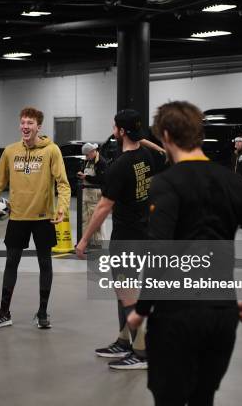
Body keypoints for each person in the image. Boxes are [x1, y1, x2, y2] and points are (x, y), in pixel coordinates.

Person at [126, 101, 242, 406]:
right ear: (198, 134)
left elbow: (159, 252)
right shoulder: (235, 184)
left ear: (165, 135)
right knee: (203, 398)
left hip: (176, 316)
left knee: (170, 399)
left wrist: (141, 309)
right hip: (221, 314)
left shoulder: (165, 184)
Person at [76, 109, 166, 370]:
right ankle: (124, 340)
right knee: (124, 290)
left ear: (121, 131)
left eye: (116, 126)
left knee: (127, 292)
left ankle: (141, 352)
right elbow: (157, 150)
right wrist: (140, 137)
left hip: (126, 236)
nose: (113, 129)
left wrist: (83, 240)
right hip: (143, 231)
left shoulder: (120, 166)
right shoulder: (146, 156)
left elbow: (103, 207)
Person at [0, 107, 70, 329]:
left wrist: (62, 208)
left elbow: (63, 183)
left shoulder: (52, 151)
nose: (25, 127)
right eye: (23, 123)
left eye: (30, 123)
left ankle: (42, 312)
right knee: (11, 262)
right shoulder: (10, 152)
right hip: (18, 217)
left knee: (45, 264)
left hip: (43, 218)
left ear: (39, 126)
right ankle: (4, 312)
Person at [77, 142, 108, 247]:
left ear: (92, 152)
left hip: (96, 196)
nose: (86, 157)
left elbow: (101, 179)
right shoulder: (88, 161)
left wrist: (86, 177)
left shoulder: (101, 162)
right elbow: (84, 172)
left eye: (87, 155)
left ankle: (99, 243)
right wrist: (81, 174)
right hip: (86, 195)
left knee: (96, 220)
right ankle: (87, 241)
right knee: (86, 220)